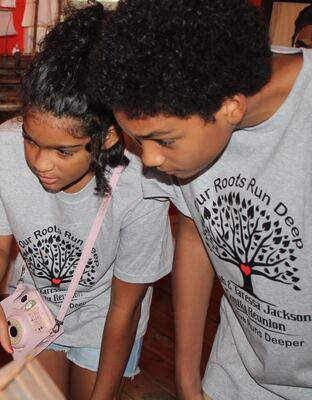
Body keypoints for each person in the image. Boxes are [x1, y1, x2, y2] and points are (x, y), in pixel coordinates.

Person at [88, 0, 312, 399]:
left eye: (163, 140)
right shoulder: (187, 100)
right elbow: (196, 231)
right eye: (137, 140)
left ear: (231, 107)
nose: (150, 159)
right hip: (238, 375)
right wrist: (188, 379)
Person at [0, 4, 173, 399]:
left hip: (106, 324)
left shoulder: (142, 182)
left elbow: (125, 309)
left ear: (106, 136)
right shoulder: (3, 148)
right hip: (36, 309)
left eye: (64, 151)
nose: (41, 162)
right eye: (31, 141)